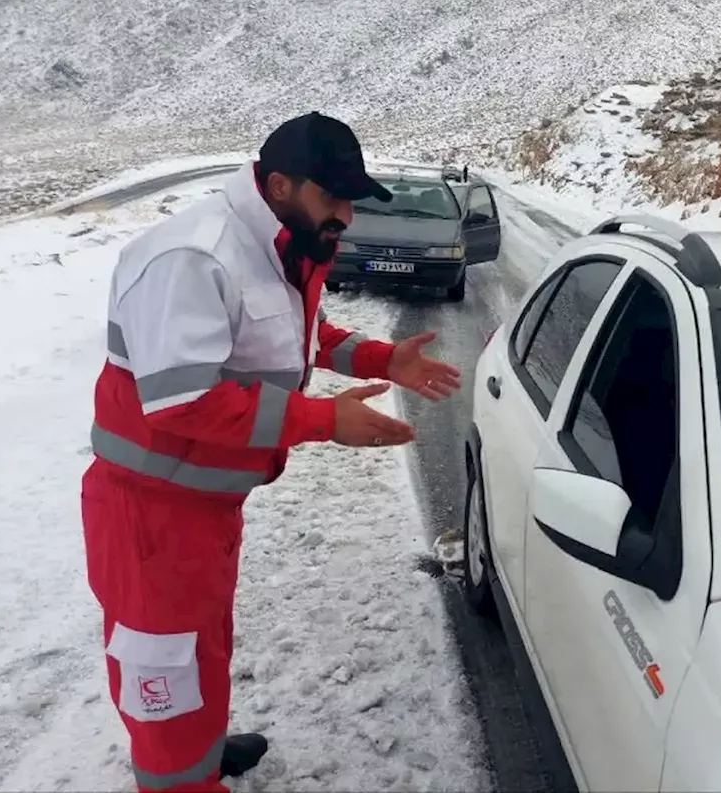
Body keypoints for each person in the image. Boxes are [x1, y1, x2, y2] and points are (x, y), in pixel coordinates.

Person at [80, 111, 462, 792]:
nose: (345, 213)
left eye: (351, 198)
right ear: (279, 183)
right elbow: (184, 400)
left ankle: (200, 746)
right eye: (333, 195)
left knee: (201, 650)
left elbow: (295, 338)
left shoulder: (282, 247)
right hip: (149, 521)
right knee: (164, 672)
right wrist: (322, 420)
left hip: (202, 510)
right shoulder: (194, 257)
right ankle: (180, 778)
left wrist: (380, 356)